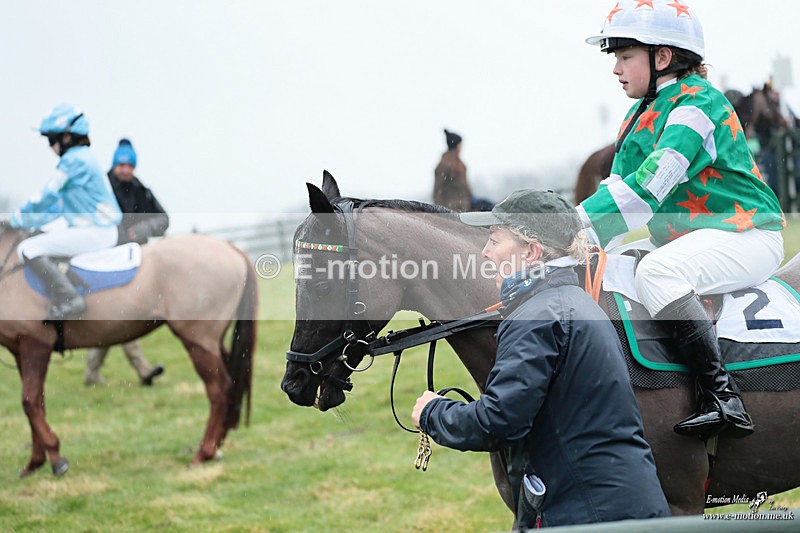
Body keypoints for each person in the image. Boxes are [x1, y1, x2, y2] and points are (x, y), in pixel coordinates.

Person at [577, 1, 785, 440]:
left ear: (663, 57)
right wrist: (582, 234)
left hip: (749, 234)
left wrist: (568, 224)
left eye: (624, 56)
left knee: (658, 272)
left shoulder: (697, 104)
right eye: (615, 57)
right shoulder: (639, 116)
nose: (616, 68)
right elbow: (618, 193)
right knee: (611, 263)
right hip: (697, 235)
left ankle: (723, 397)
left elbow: (648, 189)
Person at [412, 190, 670, 528]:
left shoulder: (537, 315)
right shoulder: (570, 300)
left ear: (531, 251)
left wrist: (433, 413)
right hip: (612, 508)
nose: (485, 253)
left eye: (494, 241)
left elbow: (499, 421)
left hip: (590, 515)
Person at [7, 104, 122, 320]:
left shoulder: (74, 160)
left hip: (98, 231)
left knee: (28, 249)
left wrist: (14, 219)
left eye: (52, 139)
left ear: (68, 137)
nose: (50, 146)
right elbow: (54, 208)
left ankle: (69, 298)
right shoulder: (82, 158)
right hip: (97, 229)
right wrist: (25, 222)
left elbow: (45, 196)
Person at [84, 139, 168, 386]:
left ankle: (91, 374)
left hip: (134, 259)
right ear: (114, 164)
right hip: (106, 258)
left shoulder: (141, 189)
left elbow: (163, 219)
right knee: (121, 313)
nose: (125, 169)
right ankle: (143, 370)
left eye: (129, 165)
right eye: (121, 164)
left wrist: (143, 227)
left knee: (116, 316)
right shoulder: (102, 188)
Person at [433, 129, 473, 211]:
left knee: (487, 206)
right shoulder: (444, 165)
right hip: (454, 206)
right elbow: (438, 190)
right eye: (461, 145)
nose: (462, 147)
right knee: (488, 207)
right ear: (457, 146)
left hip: (465, 203)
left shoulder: (459, 163)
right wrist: (442, 211)